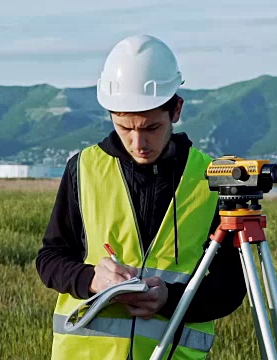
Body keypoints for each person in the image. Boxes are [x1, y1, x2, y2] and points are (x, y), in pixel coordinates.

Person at [36, 34, 247, 360]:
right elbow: (50, 260)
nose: (138, 143)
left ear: (175, 110)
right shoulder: (82, 168)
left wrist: (170, 299)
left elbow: (231, 289)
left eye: (150, 128)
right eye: (124, 127)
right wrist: (90, 278)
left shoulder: (212, 179)